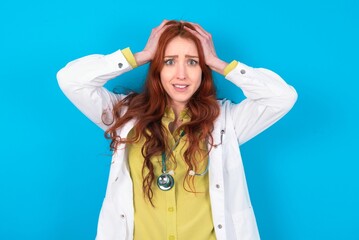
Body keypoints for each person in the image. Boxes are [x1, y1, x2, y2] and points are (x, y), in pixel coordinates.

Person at [57, 20, 297, 240]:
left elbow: (282, 97)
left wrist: (219, 63)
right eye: (169, 61)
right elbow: (70, 80)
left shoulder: (225, 121)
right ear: (157, 68)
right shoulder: (125, 116)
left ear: (203, 70)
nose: (181, 74)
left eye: (192, 62)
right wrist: (140, 56)